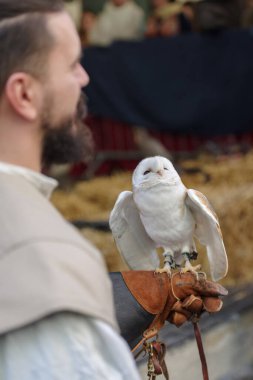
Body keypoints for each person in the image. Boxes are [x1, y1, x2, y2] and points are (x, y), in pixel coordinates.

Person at [0, 0, 227, 379]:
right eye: (72, 64)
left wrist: (130, 304)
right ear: (24, 94)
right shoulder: (36, 252)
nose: (85, 78)